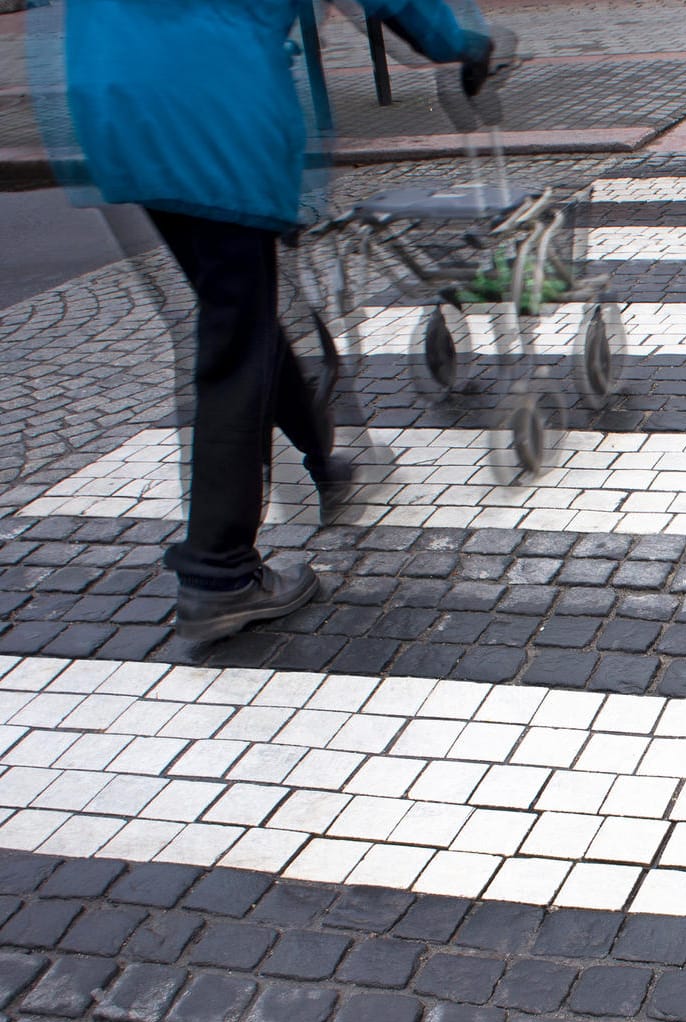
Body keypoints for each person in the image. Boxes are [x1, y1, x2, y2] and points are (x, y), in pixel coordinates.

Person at [53, 0, 493, 643]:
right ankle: (219, 575)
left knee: (241, 308)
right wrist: (461, 42)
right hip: (214, 105)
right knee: (236, 336)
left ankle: (322, 454)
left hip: (113, 103)